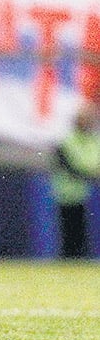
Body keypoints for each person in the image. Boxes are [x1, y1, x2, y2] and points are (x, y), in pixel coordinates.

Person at [50, 102, 100, 258]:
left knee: (81, 234)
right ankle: (69, 260)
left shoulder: (93, 140)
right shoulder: (67, 140)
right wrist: (89, 174)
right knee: (69, 233)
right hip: (66, 194)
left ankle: (78, 261)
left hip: (84, 194)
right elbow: (69, 166)